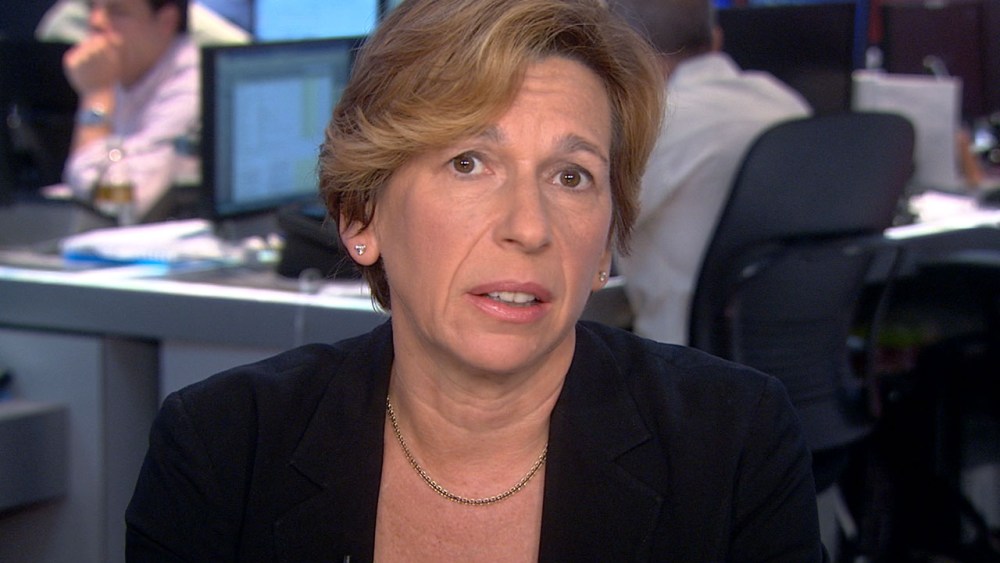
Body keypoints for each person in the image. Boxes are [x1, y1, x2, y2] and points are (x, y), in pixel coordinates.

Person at [125, 0, 826, 560]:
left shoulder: (735, 444)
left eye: (571, 176)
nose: (529, 226)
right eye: (468, 163)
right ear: (360, 214)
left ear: (606, 243)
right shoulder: (221, 448)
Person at [610, 0, 812, 345]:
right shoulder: (785, 102)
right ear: (716, 38)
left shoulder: (657, 123)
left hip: (682, 362)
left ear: (624, 52)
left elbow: (589, 229)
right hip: (792, 352)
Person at [59, 0, 202, 222]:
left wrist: (96, 96)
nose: (96, 22)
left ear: (166, 21)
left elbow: (119, 202)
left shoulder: (192, 89)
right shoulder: (118, 67)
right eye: (92, 8)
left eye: (118, 11)